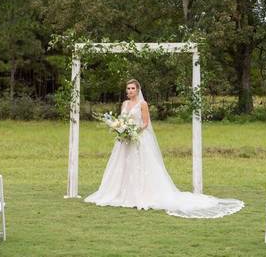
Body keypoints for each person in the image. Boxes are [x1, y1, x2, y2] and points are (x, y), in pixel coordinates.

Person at [85, 79, 244, 218]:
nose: (130, 91)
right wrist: (121, 128)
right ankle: (121, 193)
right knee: (123, 166)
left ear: (138, 90)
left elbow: (146, 123)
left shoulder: (143, 104)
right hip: (125, 141)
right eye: (128, 88)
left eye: (133, 88)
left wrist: (132, 131)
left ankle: (142, 194)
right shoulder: (125, 104)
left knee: (142, 167)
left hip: (138, 138)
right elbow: (121, 119)